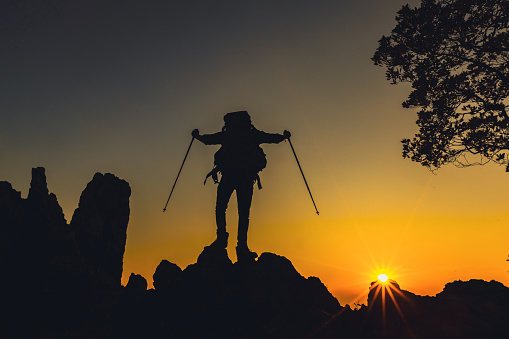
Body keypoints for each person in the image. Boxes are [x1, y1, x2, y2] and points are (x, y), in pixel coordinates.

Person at [192, 111, 290, 262]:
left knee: (220, 207)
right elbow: (272, 138)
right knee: (243, 213)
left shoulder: (228, 135)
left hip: (229, 176)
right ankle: (242, 247)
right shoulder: (252, 134)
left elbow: (208, 140)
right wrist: (284, 136)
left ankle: (222, 238)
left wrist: (197, 136)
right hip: (246, 178)